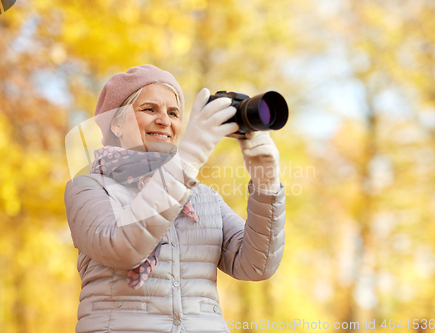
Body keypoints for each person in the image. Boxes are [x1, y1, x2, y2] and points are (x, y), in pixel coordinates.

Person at [64, 64, 286, 333]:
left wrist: (266, 182)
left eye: (173, 113)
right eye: (149, 109)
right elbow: (122, 249)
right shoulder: (89, 187)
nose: (165, 121)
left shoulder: (203, 198)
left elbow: (256, 266)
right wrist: (188, 159)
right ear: (117, 123)